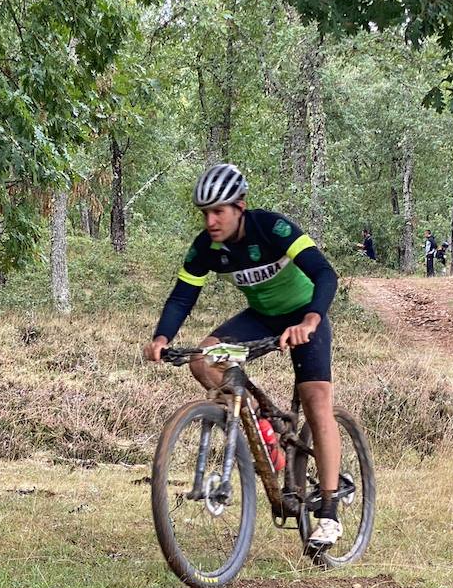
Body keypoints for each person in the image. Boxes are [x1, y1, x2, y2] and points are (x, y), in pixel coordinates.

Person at [142, 163, 344, 545]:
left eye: (218, 211)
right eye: (205, 213)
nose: (211, 221)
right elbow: (184, 295)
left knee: (317, 402)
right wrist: (162, 337)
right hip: (261, 319)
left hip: (303, 317)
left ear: (240, 206)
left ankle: (330, 512)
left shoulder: (273, 228)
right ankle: (264, 430)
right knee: (203, 359)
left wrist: (312, 320)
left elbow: (325, 274)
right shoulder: (207, 246)